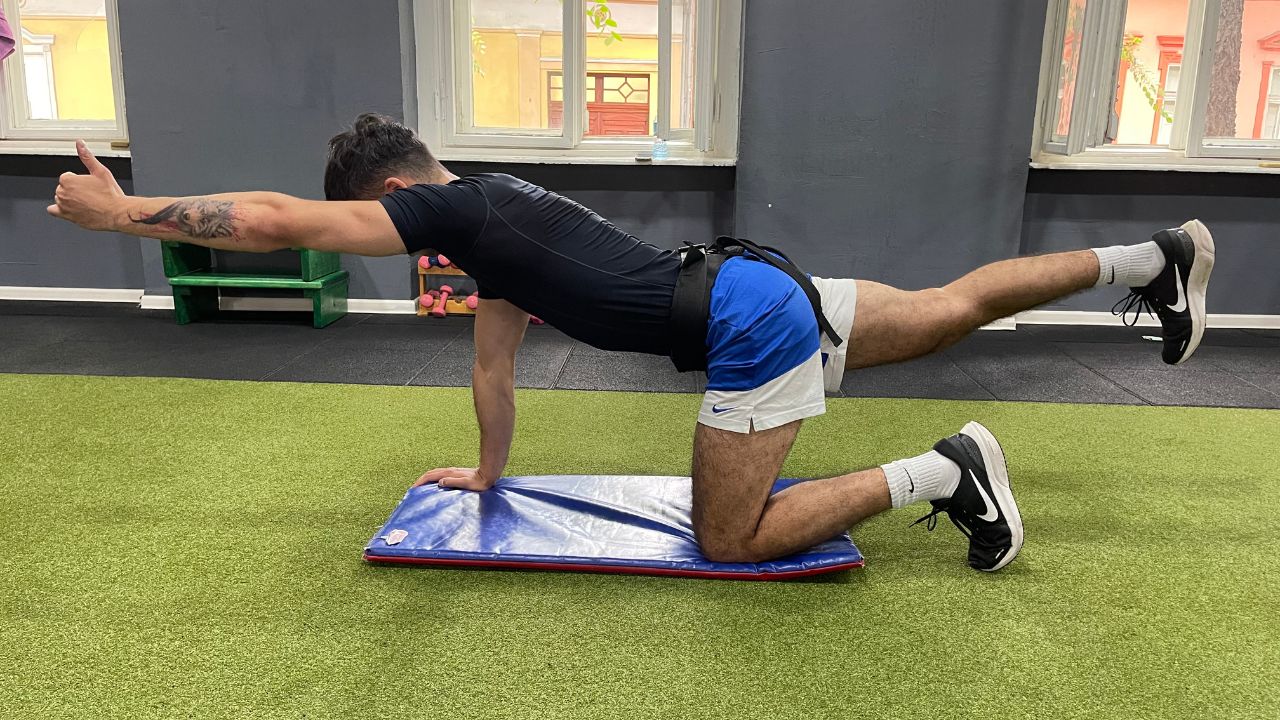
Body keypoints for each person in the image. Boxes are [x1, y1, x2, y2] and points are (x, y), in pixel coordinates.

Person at [49, 114, 1215, 572]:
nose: (391, 241)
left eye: (383, 220)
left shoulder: (451, 210)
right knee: (956, 300)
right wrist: (490, 472)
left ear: (396, 188)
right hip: (752, 279)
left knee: (727, 537)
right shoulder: (493, 220)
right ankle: (1151, 258)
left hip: (740, 320)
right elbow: (492, 366)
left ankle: (944, 471)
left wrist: (122, 214)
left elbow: (264, 218)